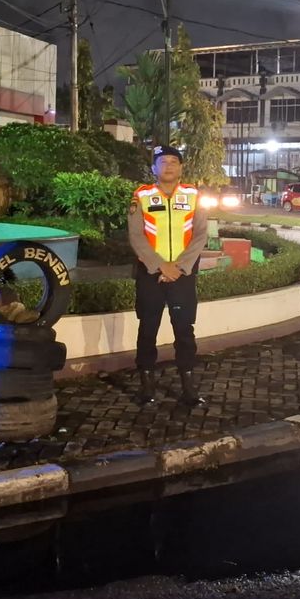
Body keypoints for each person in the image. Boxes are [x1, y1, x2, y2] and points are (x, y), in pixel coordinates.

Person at [127, 145, 207, 406]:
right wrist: (162, 266)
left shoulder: (194, 195)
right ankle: (147, 387)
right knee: (147, 328)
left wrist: (179, 267)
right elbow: (136, 236)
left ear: (181, 168)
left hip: (182, 275)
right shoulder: (142, 195)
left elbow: (200, 235)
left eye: (174, 161)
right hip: (151, 273)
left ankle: (189, 387)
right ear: (154, 168)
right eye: (163, 161)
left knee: (184, 330)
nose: (169, 165)